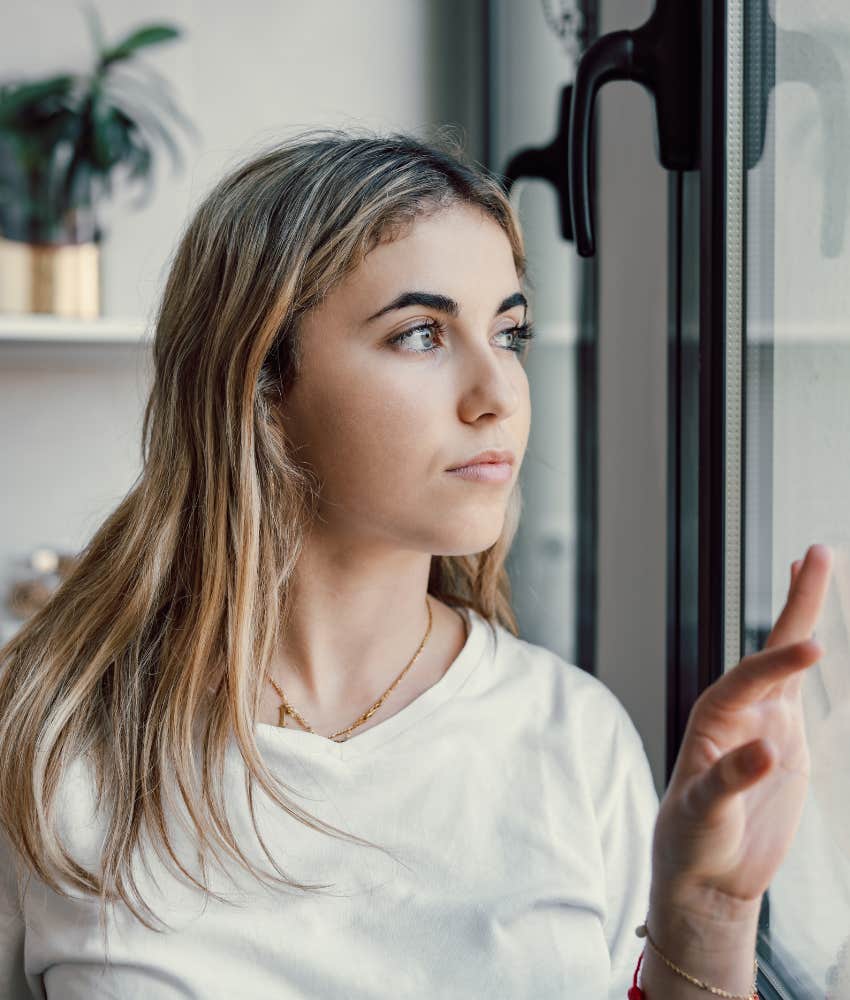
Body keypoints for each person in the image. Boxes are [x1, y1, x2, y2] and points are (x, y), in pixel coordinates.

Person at [0, 128, 833, 999]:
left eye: (509, 334)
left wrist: (708, 922)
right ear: (261, 385)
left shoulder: (572, 740)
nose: (499, 395)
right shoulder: (52, 741)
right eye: (421, 334)